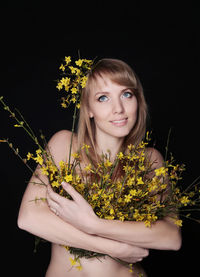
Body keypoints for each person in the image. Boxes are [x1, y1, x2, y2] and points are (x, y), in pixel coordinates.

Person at [17, 58, 182, 277]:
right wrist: (113, 247)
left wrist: (94, 224)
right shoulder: (65, 145)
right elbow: (28, 218)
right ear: (89, 109)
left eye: (126, 94)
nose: (119, 109)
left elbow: (172, 237)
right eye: (103, 98)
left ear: (138, 101)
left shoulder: (150, 160)